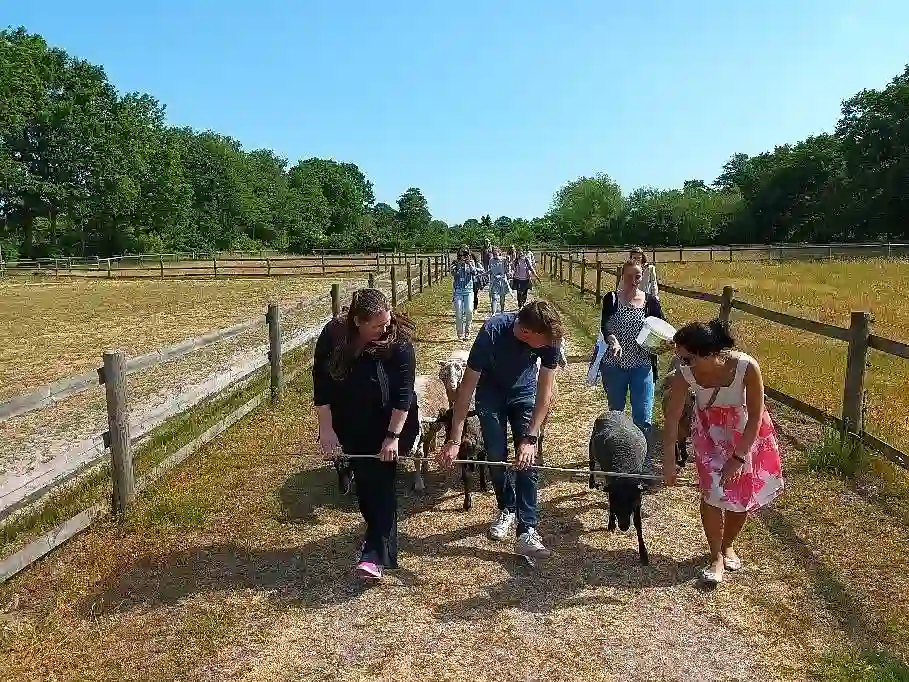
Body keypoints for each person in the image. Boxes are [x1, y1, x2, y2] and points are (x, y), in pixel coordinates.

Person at [436, 300, 563, 561]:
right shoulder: (492, 332)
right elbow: (466, 390)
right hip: (490, 396)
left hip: (524, 394)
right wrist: (455, 439)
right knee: (495, 456)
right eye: (544, 341)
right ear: (526, 332)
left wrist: (531, 437)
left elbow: (545, 393)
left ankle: (527, 530)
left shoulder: (549, 339)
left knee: (527, 459)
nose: (549, 345)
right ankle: (507, 508)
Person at [662, 319, 784, 586]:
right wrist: (669, 460)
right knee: (711, 494)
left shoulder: (746, 367)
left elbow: (755, 416)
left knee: (740, 495)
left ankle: (728, 544)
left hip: (744, 434)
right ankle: (715, 556)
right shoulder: (685, 373)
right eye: (679, 358)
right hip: (709, 434)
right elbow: (671, 419)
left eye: (687, 358)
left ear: (709, 353)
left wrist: (738, 458)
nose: (681, 364)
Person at [312, 288, 421, 580]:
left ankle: (374, 556)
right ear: (357, 321)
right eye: (377, 325)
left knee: (382, 483)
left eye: (387, 321)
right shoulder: (334, 335)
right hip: (350, 421)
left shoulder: (399, 342)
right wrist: (326, 429)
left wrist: (392, 437)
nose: (385, 328)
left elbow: (403, 396)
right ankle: (375, 540)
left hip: (393, 422)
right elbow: (321, 385)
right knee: (364, 482)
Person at [600, 259, 666, 471]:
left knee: (643, 417)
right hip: (615, 365)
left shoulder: (651, 302)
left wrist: (666, 343)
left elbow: (661, 329)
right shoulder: (611, 299)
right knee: (617, 415)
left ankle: (642, 466)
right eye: (629, 276)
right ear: (622, 276)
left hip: (642, 365)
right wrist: (613, 341)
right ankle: (617, 461)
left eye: (637, 276)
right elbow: (606, 326)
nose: (633, 280)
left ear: (642, 277)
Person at [617, 246, 661, 382]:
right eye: (634, 257)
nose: (636, 259)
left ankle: (651, 370)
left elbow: (654, 285)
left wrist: (654, 300)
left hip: (646, 303)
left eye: (638, 257)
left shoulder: (649, 269)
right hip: (630, 302)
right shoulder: (628, 268)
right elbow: (621, 284)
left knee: (650, 335)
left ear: (643, 257)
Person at [450, 246, 480, 340]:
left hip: (469, 290)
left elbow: (475, 273)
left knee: (469, 311)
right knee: (459, 313)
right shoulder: (455, 263)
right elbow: (453, 274)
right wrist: (459, 265)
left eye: (466, 254)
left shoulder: (471, 262)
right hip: (458, 291)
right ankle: (460, 333)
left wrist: (469, 264)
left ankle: (468, 330)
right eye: (462, 254)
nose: (464, 256)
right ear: (459, 255)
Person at [486, 246, 511, 315]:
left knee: (502, 299)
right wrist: (484, 274)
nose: (495, 254)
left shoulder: (503, 259)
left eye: (496, 252)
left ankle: (502, 311)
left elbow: (507, 270)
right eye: (493, 253)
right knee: (494, 298)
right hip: (494, 281)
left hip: (502, 281)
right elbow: (491, 270)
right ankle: (493, 314)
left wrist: (508, 263)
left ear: (499, 252)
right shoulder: (491, 260)